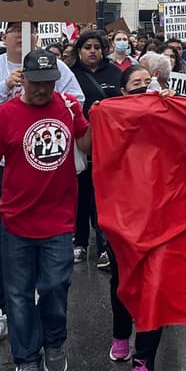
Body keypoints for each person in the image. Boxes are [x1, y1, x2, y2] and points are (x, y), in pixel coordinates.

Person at [0, 23, 85, 352]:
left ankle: (35, 313)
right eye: (14, 30)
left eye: (27, 30)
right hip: (4, 166)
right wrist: (5, 87)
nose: (22, 35)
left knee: (48, 255)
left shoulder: (56, 67)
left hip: (46, 169)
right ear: (4, 37)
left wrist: (50, 95)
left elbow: (77, 101)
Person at [101, 64, 168, 371]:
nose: (145, 87)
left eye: (149, 82)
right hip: (122, 218)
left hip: (162, 218)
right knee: (123, 281)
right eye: (136, 84)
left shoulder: (170, 114)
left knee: (155, 288)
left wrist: (172, 107)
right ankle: (119, 332)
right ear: (124, 92)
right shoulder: (112, 118)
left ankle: (144, 364)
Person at [70, 30, 122, 264]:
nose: (93, 51)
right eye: (88, 47)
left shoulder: (114, 73)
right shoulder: (71, 74)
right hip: (81, 142)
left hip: (110, 143)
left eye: (97, 47)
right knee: (81, 196)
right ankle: (79, 242)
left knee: (104, 198)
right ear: (79, 51)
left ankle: (104, 246)